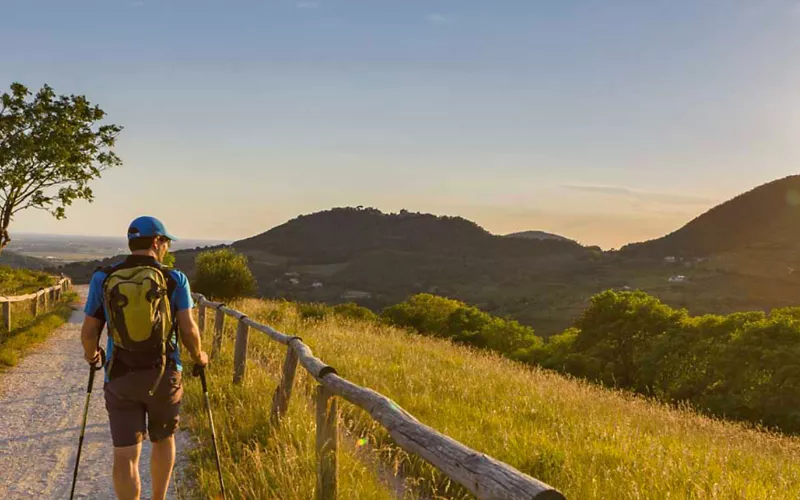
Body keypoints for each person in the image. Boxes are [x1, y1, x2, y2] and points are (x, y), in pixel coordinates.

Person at [80, 216, 209, 500]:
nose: (166, 248)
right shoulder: (174, 279)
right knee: (163, 440)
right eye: (165, 242)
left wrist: (92, 357)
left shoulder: (103, 278)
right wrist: (198, 356)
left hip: (120, 374)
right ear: (155, 242)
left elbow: (89, 332)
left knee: (125, 454)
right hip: (164, 374)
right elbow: (188, 329)